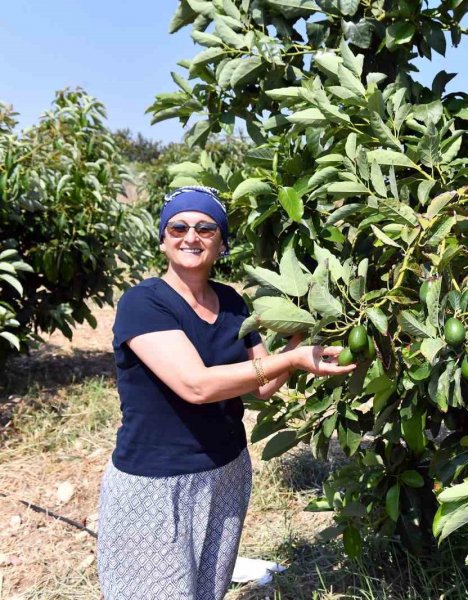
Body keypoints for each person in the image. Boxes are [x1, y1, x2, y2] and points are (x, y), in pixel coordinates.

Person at [97, 186, 356, 600]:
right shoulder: (143, 303)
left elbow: (264, 384)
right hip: (159, 483)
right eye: (178, 226)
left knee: (205, 590)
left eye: (206, 228)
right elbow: (195, 385)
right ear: (163, 238)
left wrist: (299, 344)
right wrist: (291, 360)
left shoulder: (234, 302)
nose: (191, 237)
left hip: (226, 471)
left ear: (221, 242)